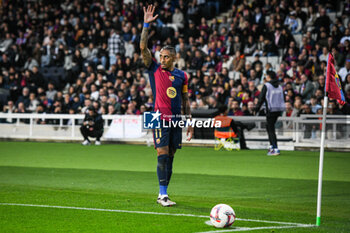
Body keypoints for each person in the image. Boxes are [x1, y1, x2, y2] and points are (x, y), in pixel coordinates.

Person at [140, 5, 193, 207]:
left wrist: (190, 122)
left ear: (174, 58)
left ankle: (165, 192)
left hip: (176, 120)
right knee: (162, 153)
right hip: (159, 118)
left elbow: (186, 100)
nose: (162, 59)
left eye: (166, 57)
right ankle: (162, 195)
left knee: (171, 156)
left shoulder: (182, 76)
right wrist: (146, 24)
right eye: (160, 56)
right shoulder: (154, 69)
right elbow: (143, 48)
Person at [254, 71, 285, 156]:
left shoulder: (267, 86)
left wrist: (256, 109)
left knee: (271, 129)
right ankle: (272, 146)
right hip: (278, 110)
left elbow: (261, 98)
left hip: (270, 110)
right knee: (269, 127)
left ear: (268, 76)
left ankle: (275, 148)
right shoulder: (279, 86)